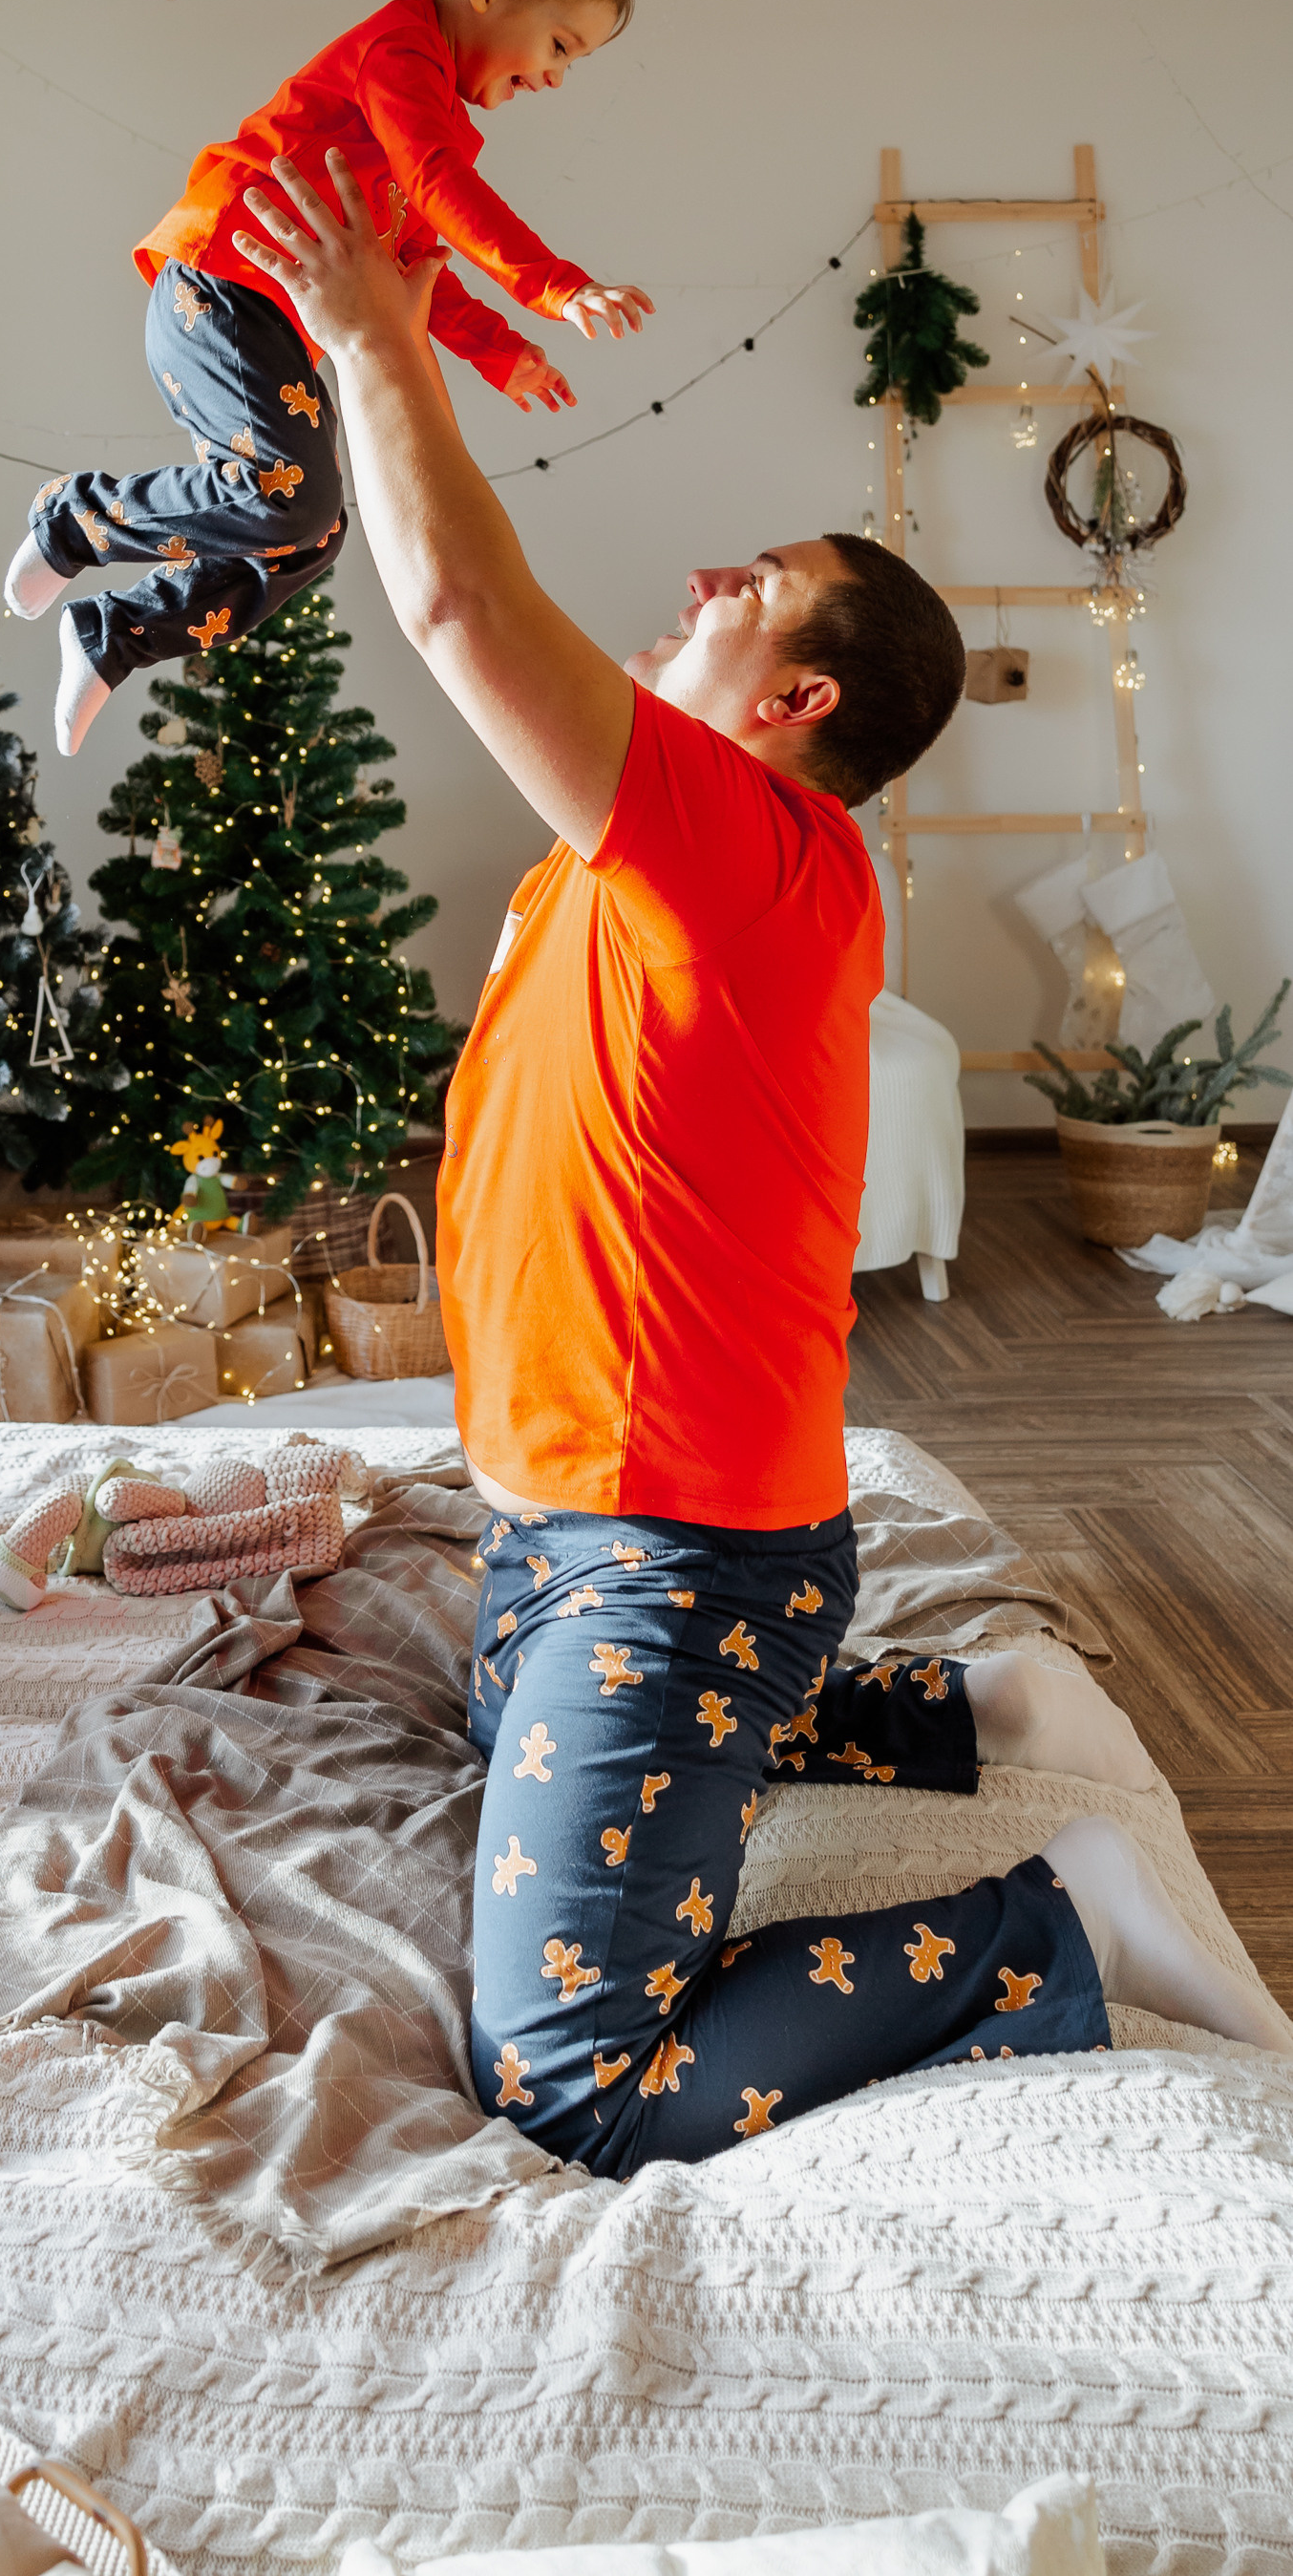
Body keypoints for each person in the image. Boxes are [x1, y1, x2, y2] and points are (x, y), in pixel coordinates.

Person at [232, 151, 1293, 2173]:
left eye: (747, 588)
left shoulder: (751, 843)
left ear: (794, 701)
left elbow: (457, 602)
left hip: (673, 1555)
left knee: (570, 2080)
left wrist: (374, 332)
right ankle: (972, 1718)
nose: (700, 583)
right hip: (584, 1523)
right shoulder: (628, 860)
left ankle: (1049, 1914)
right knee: (498, 1739)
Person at [4, 0, 653, 756]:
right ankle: (77, 519)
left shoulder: (428, 112)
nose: (557, 78)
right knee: (284, 496)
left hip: (277, 319)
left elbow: (419, 263)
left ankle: (118, 630)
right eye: (560, 46)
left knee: (309, 535)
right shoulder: (400, 51)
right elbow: (439, 185)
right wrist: (554, 285)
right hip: (219, 288)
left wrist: (503, 354)